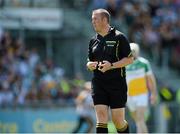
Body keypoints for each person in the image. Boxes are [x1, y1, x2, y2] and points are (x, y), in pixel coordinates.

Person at [86, 8, 133, 133]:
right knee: (101, 117)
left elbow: (129, 59)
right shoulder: (93, 41)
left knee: (118, 121)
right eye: (92, 20)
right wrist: (89, 65)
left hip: (117, 84)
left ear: (105, 20)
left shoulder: (120, 37)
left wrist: (111, 65)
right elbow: (89, 61)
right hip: (98, 83)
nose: (93, 22)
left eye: (95, 19)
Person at [126, 43, 157, 133]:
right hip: (129, 95)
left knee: (140, 119)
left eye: (134, 51)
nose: (132, 53)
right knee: (139, 121)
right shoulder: (124, 63)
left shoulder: (144, 63)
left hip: (141, 94)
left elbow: (151, 79)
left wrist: (154, 94)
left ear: (137, 52)